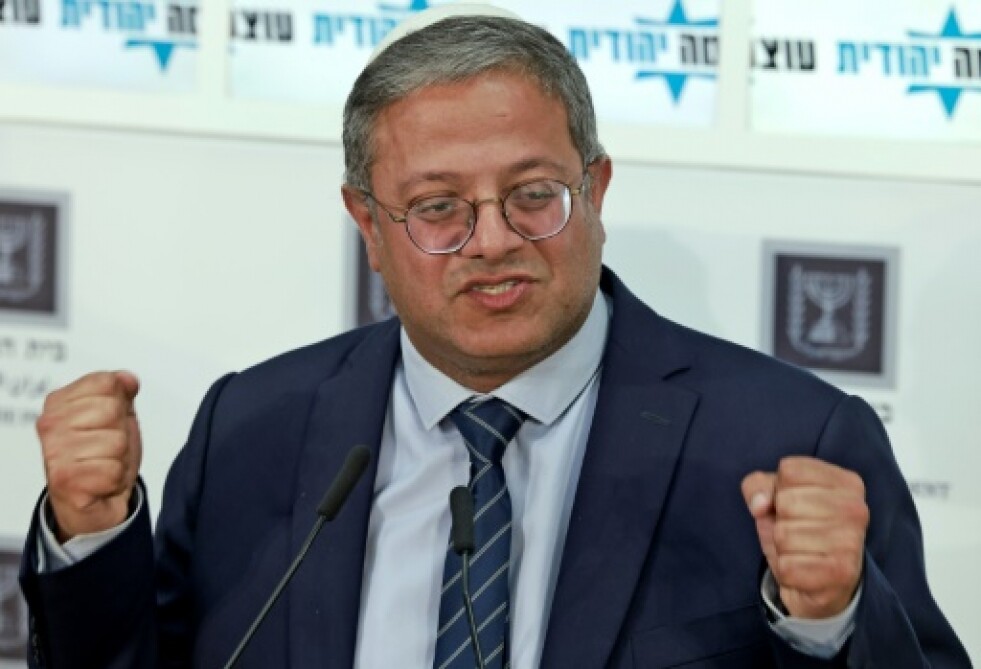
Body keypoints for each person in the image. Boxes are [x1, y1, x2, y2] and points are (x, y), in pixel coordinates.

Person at [18, 6, 971, 669]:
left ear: (595, 190)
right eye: (438, 207)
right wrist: (91, 536)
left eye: (532, 195)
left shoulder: (790, 439)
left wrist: (828, 622)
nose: (492, 241)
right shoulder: (253, 427)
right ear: (368, 225)